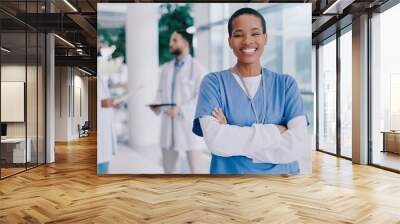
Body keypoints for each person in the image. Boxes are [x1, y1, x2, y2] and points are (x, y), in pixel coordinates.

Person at [192, 8, 310, 174]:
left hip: (283, 183)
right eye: (239, 34)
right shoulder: (213, 83)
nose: (247, 41)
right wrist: (276, 131)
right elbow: (216, 142)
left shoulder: (286, 84)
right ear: (230, 41)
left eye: (255, 33)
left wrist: (232, 138)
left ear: (265, 38)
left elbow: (297, 144)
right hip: (230, 184)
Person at [150, 30, 211, 174]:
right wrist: (157, 104)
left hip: (189, 124)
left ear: (185, 44)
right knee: (168, 170)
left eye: (174, 40)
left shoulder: (198, 69)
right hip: (168, 125)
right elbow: (160, 92)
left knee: (197, 170)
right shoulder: (166, 68)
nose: (171, 44)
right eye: (171, 41)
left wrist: (181, 109)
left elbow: (202, 97)